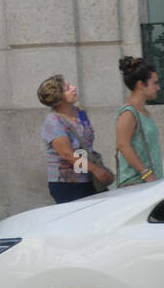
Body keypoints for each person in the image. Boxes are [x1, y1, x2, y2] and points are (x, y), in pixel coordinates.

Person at [37, 74, 113, 203]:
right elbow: (68, 155)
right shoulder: (54, 121)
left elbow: (86, 143)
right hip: (68, 184)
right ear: (58, 97)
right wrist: (95, 169)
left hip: (90, 179)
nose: (73, 88)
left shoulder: (81, 112)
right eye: (67, 88)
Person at [115, 56, 163, 187]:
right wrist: (147, 174)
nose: (158, 88)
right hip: (135, 183)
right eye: (155, 83)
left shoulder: (142, 111)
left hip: (149, 182)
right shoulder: (129, 113)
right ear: (141, 85)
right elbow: (123, 145)